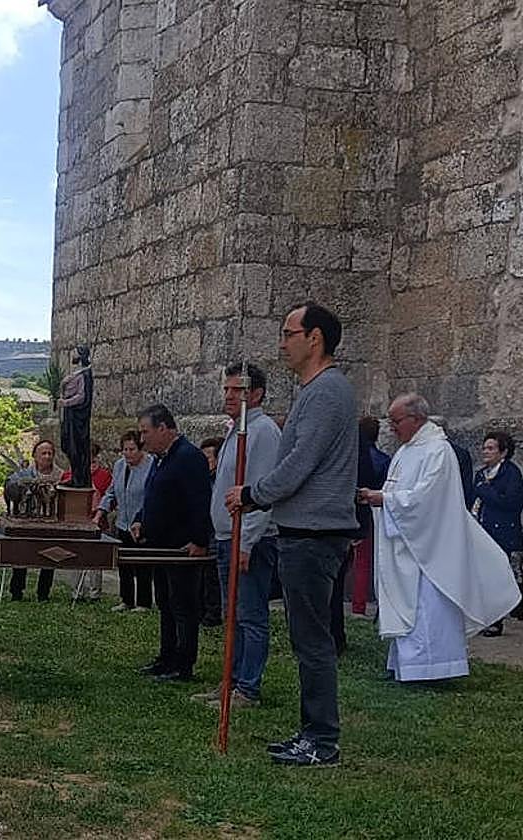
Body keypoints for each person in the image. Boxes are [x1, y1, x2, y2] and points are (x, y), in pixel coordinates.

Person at [226, 302, 358, 768]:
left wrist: (252, 494)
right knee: (307, 638)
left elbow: (300, 463)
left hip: (315, 532)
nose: (282, 344)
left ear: (314, 338)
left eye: (289, 333)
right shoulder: (315, 391)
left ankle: (321, 740)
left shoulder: (327, 392)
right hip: (304, 529)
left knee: (313, 641)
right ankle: (313, 732)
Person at [362, 394, 521, 679]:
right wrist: (382, 497)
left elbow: (428, 497)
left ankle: (432, 668)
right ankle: (406, 666)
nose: (392, 428)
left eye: (396, 421)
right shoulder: (406, 450)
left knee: (428, 607)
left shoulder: (438, 451)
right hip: (407, 543)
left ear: (416, 419)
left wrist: (385, 499)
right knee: (410, 605)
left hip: (429, 549)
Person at [194, 363, 281, 709]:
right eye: (227, 389)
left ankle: (247, 687)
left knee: (250, 615)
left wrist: (247, 541)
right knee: (233, 615)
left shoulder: (262, 433)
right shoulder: (237, 430)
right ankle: (230, 681)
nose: (229, 396)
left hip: (248, 539)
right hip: (226, 535)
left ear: (255, 394)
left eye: (237, 390)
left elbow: (261, 491)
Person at [132, 404, 212, 683]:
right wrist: (141, 520)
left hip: (182, 547)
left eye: (146, 432)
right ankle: (167, 657)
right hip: (161, 546)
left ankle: (183, 663)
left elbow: (200, 502)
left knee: (183, 606)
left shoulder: (189, 457)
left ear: (163, 428)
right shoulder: (160, 459)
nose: (143, 439)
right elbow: (154, 495)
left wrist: (199, 540)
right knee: (165, 603)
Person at [94, 431, 154, 612]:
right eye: (124, 450)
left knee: (143, 564)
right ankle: (126, 599)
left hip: (143, 523)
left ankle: (144, 602)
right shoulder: (119, 465)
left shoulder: (151, 465)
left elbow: (152, 496)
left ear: (141, 449)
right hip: (123, 522)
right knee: (124, 563)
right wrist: (99, 513)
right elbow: (111, 492)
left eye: (132, 449)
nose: (127, 453)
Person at [471, 431, 523, 636]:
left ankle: (497, 619)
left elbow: (510, 502)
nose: (485, 452)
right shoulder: (480, 474)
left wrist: (485, 490)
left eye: (491, 448)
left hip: (502, 532)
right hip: (482, 529)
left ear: (503, 452)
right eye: (484, 448)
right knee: (483, 577)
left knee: (499, 577)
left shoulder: (511, 474)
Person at [7, 439, 62, 601]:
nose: (47, 456)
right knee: (22, 553)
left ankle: (43, 593)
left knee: (50, 555)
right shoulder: (24, 473)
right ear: (35, 456)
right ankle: (17, 591)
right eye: (43, 453)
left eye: (50, 453)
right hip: (27, 520)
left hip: (50, 522)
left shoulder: (60, 475)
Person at [59, 442, 112, 601]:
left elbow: (110, 498)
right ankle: (77, 592)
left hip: (96, 521)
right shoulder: (69, 475)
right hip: (75, 520)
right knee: (75, 555)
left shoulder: (104, 475)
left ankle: (95, 593)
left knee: (95, 558)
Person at [350, 416, 390, 617]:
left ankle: (354, 603)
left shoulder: (351, 456)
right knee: (364, 560)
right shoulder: (383, 459)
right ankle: (360, 603)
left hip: (351, 506)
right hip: (373, 509)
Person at [199, 436, 225, 627]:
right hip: (204, 532)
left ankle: (214, 614)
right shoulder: (202, 479)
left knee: (214, 576)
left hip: (218, 533)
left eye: (208, 458)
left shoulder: (222, 481)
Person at [59, 345, 94, 488]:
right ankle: (75, 476)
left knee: (76, 447)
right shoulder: (76, 373)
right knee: (68, 444)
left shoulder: (85, 374)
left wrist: (66, 403)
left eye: (75, 354)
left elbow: (82, 396)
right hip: (70, 414)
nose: (73, 356)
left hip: (77, 417)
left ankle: (79, 479)